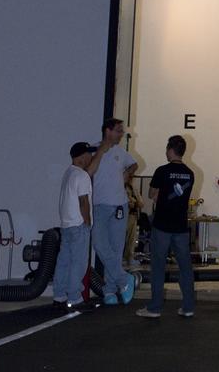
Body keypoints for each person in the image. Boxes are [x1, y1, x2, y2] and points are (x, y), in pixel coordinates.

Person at [137, 135, 196, 319]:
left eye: (166, 149)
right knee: (185, 267)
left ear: (170, 150)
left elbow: (151, 193)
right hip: (180, 227)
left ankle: (155, 308)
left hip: (162, 225)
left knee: (158, 266)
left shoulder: (162, 171)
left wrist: (160, 194)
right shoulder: (190, 173)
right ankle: (188, 307)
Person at [88, 118, 138, 306]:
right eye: (118, 130)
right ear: (107, 131)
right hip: (99, 205)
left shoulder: (121, 153)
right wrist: (100, 151)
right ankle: (124, 280)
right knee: (100, 244)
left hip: (119, 206)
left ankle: (109, 291)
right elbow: (88, 172)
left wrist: (128, 174)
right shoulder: (93, 150)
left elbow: (134, 165)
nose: (121, 134)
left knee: (116, 249)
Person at [52, 142, 96, 310]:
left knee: (64, 261)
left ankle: (59, 295)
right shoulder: (82, 176)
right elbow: (83, 201)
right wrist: (87, 222)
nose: (91, 157)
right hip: (78, 224)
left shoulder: (68, 173)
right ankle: (75, 297)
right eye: (89, 154)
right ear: (82, 156)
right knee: (78, 263)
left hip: (66, 224)